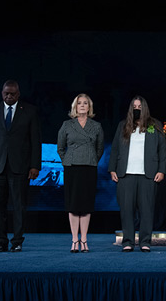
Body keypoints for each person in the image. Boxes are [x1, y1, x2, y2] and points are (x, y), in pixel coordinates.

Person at [0, 80, 42, 252]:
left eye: (13, 94)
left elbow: (35, 140)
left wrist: (35, 165)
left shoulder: (29, 111)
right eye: (6, 93)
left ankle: (17, 241)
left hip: (20, 166)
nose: (9, 96)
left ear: (18, 94)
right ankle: (1, 241)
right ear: (2, 93)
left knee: (19, 205)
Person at [108, 96, 166, 253]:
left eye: (140, 106)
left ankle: (145, 241)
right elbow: (114, 149)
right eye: (134, 106)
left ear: (145, 107)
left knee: (147, 210)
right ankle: (128, 241)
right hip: (125, 175)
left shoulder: (154, 125)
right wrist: (112, 169)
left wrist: (161, 170)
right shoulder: (123, 125)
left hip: (148, 175)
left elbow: (162, 149)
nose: (137, 108)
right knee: (126, 210)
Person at [57, 93, 104, 253]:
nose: (82, 105)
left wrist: (92, 159)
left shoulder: (96, 126)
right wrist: (67, 160)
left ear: (89, 107)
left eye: (85, 103)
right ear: (75, 107)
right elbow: (60, 148)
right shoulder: (67, 125)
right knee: (73, 205)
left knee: (85, 206)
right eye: (79, 103)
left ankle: (84, 240)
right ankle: (74, 240)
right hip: (72, 167)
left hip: (89, 167)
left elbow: (99, 149)